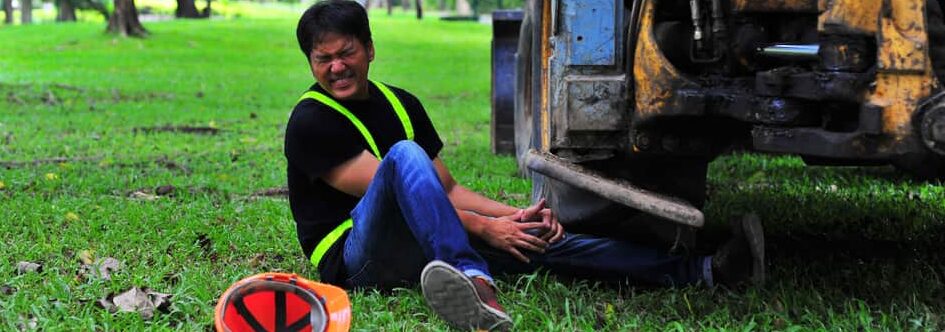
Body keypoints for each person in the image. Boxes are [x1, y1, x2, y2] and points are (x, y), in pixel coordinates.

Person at [284, 1, 764, 330]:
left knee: (540, 242)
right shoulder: (311, 121)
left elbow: (444, 192)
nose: (336, 67)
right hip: (357, 260)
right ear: (311, 63)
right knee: (405, 158)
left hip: (424, 245)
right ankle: (475, 279)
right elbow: (403, 196)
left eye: (346, 53)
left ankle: (703, 271)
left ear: (369, 49)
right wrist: (483, 231)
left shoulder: (400, 102)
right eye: (322, 59)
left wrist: (511, 218)